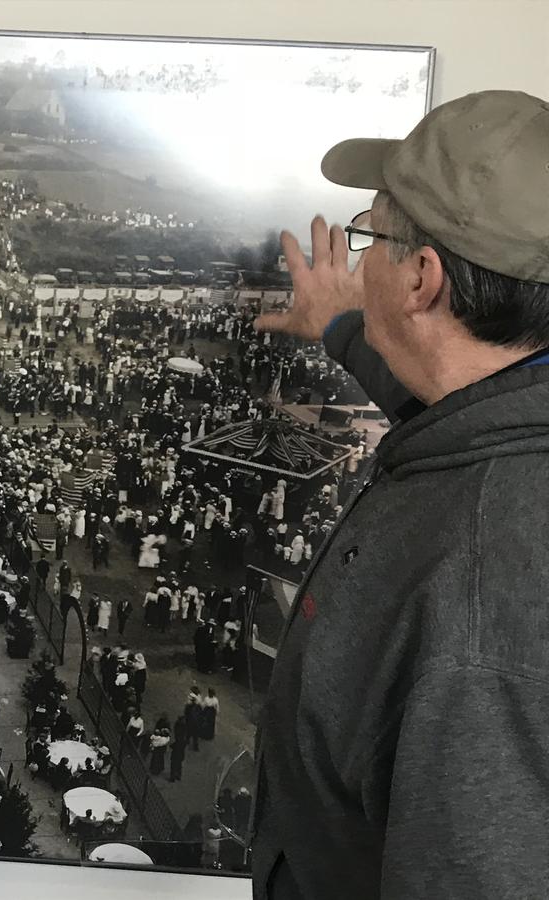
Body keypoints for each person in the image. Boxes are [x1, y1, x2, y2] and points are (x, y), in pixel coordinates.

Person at [249, 91, 549, 899]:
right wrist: (345, 325)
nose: (362, 260)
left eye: (372, 236)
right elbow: (450, 404)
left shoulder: (485, 600)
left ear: (420, 279)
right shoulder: (511, 412)